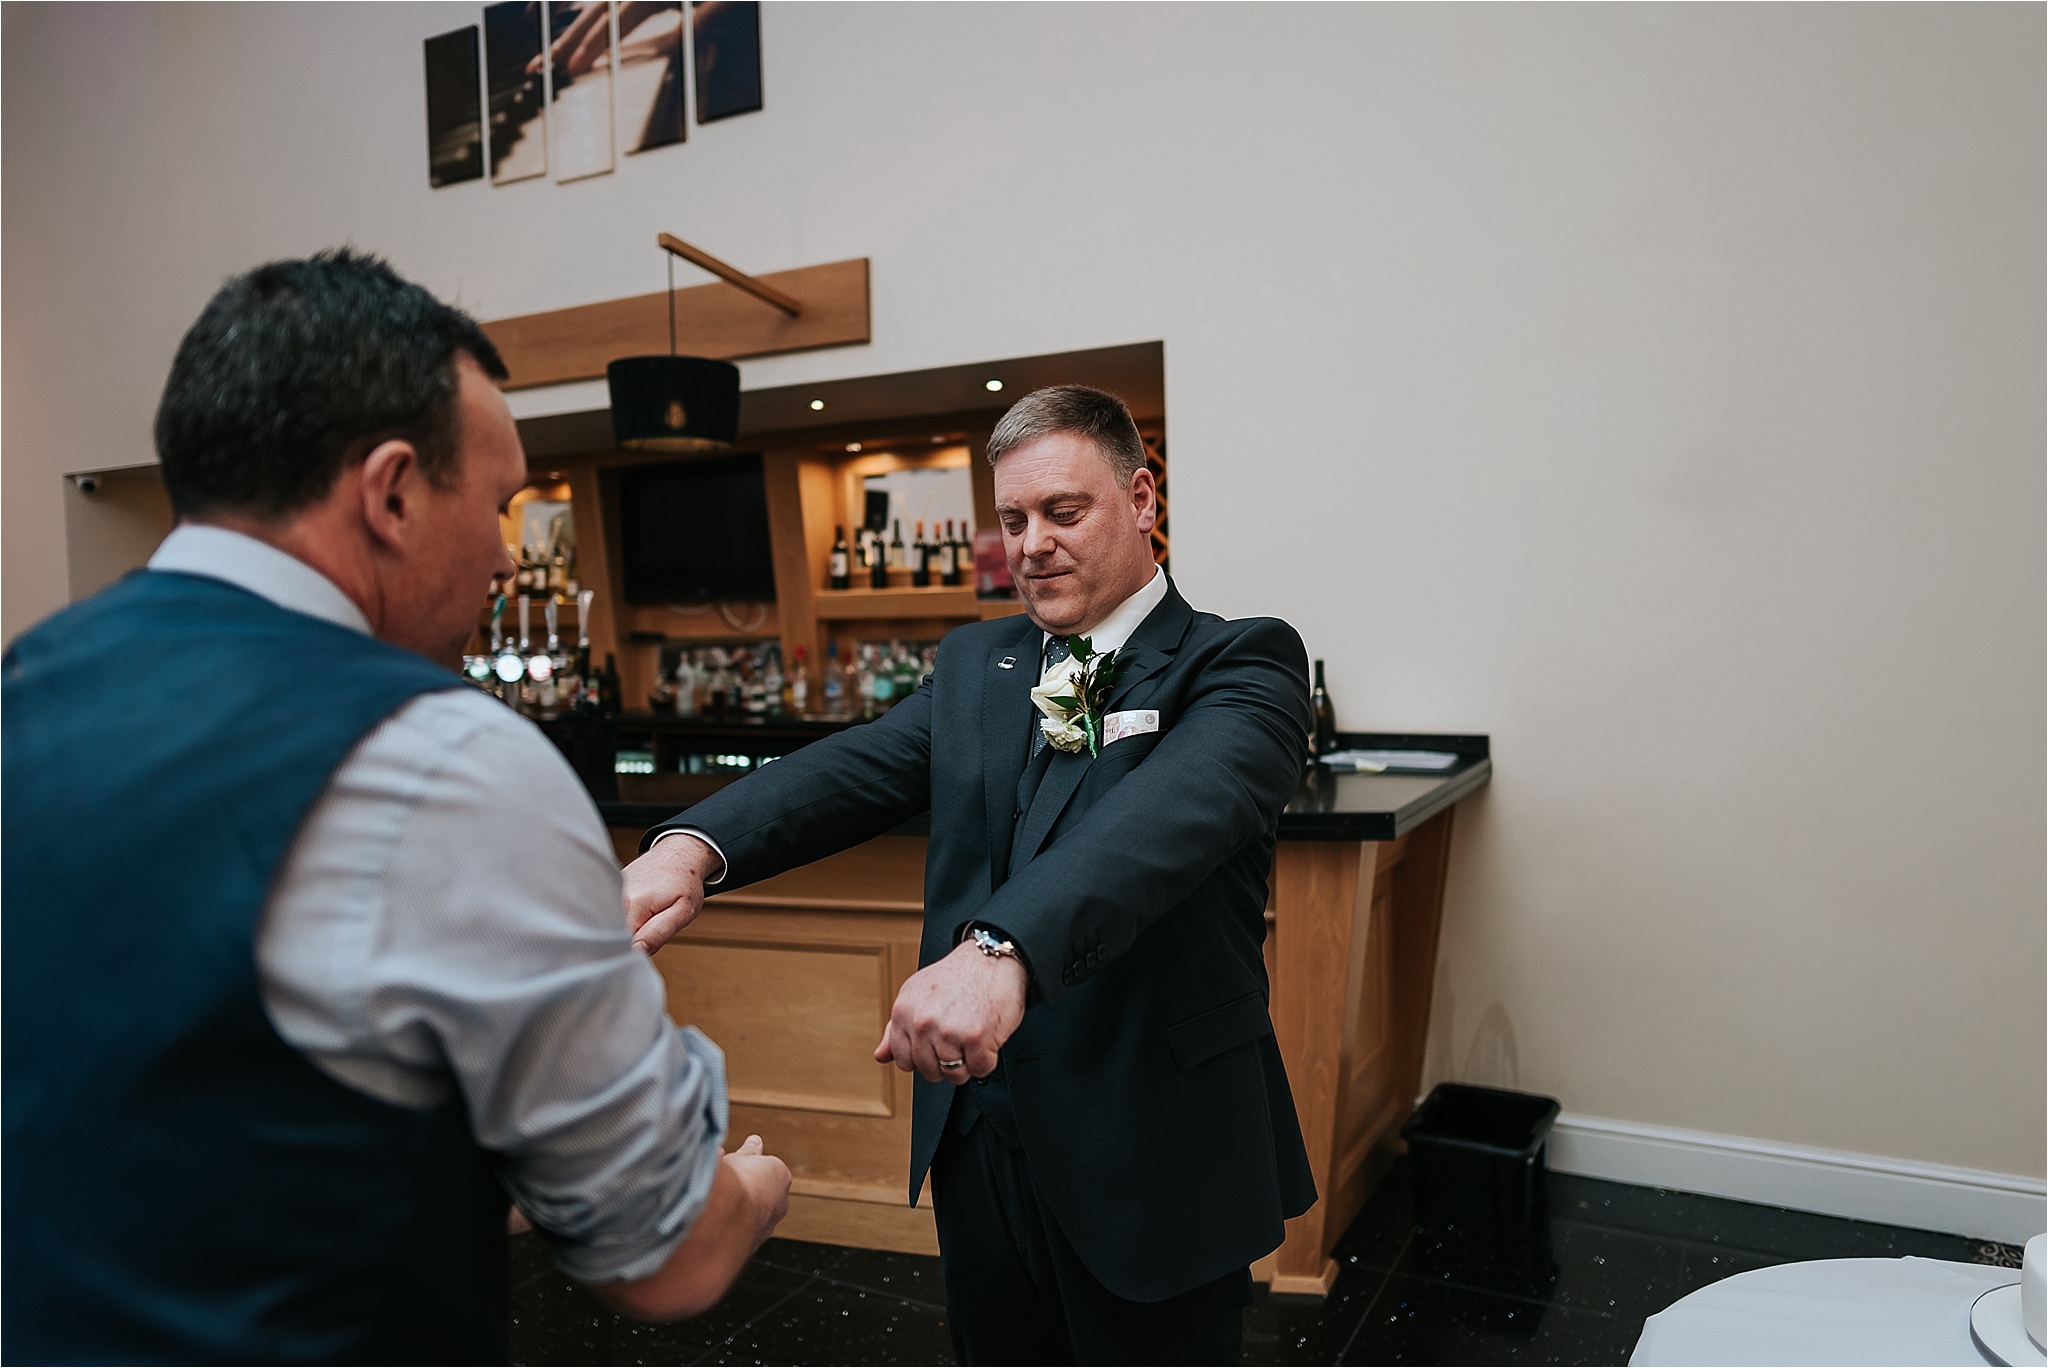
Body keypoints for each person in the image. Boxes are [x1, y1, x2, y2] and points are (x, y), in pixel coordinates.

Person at [1, 250, 790, 1363]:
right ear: (392, 493)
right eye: (501, 504)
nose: (511, 558)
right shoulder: (442, 759)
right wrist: (751, 1188)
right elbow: (667, 1255)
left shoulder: (24, 682)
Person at [624, 385, 1318, 1365]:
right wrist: (689, 849)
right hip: (977, 1135)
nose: (1030, 543)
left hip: (1150, 1144)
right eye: (1011, 520)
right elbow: (847, 768)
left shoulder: (1240, 663)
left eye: (1061, 512)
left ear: (1142, 500)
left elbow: (1166, 820)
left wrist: (1001, 949)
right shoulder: (976, 664)